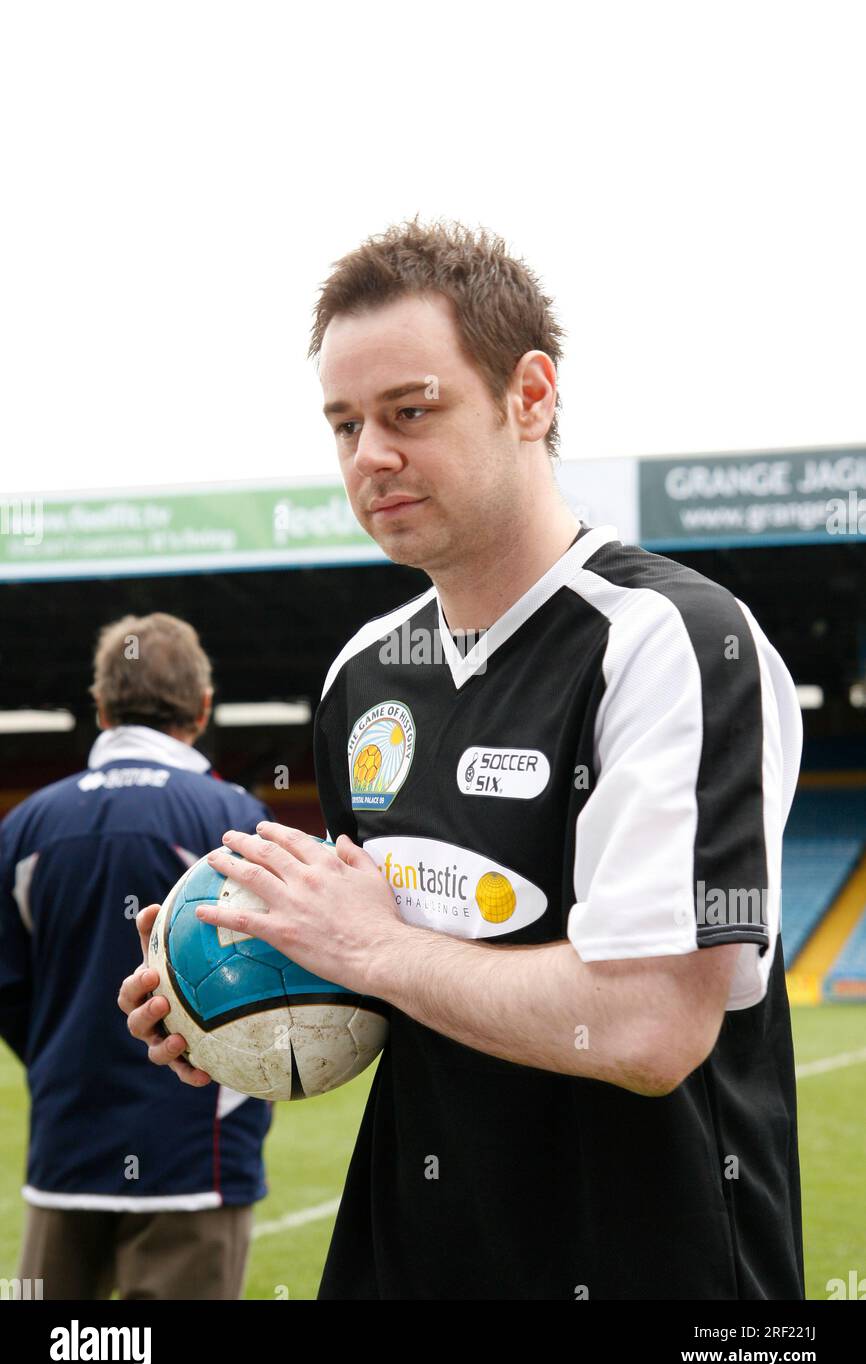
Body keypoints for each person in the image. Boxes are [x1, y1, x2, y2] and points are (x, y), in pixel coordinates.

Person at [119, 218, 805, 1300]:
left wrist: (369, 948)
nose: (368, 455)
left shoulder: (665, 639)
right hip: (412, 1261)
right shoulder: (360, 677)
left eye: (409, 410)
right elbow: (401, 971)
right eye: (343, 423)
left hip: (650, 1266)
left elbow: (647, 1026)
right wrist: (235, 976)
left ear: (528, 396)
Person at [0, 612, 273, 1299]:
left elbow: (7, 987)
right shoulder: (233, 815)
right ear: (203, 708)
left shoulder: (26, 825)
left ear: (100, 707)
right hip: (196, 1153)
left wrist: (65, 1054)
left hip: (66, 1143)